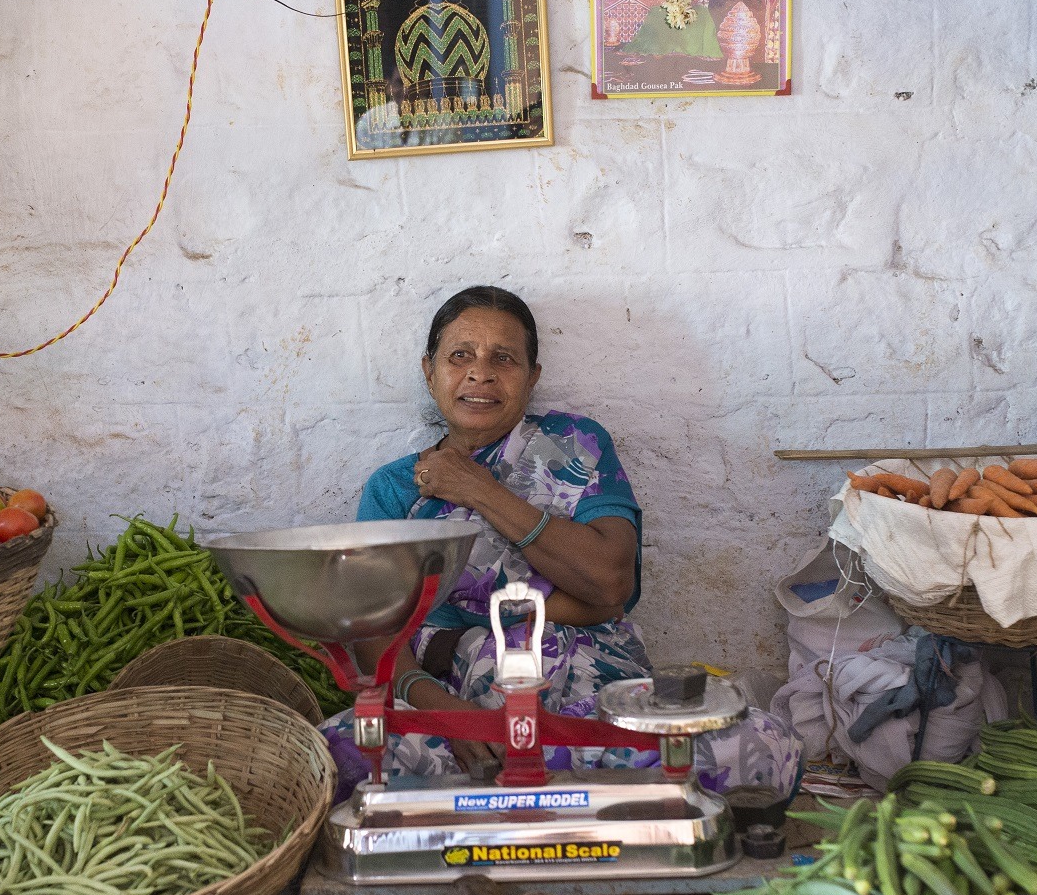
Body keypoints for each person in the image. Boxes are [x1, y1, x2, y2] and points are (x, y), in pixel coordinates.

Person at [321, 286, 802, 800]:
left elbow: (610, 581)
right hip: (461, 709)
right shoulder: (395, 488)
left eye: (503, 359)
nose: (480, 373)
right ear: (429, 371)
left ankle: (518, 787)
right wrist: (444, 709)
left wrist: (478, 489)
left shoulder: (573, 445)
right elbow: (374, 632)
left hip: (589, 692)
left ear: (533, 378)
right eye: (460, 355)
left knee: (762, 751)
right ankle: (585, 788)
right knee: (335, 757)